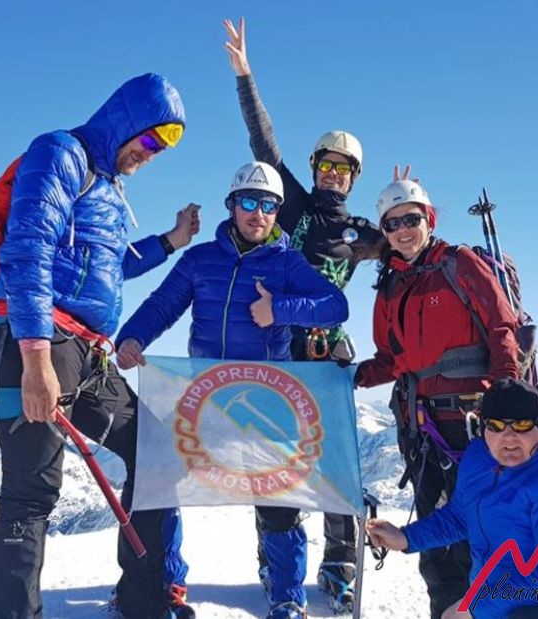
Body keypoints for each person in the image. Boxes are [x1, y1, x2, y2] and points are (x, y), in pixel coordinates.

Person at [0, 73, 202, 619]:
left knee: (154, 448)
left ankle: (142, 601)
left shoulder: (106, 188)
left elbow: (110, 266)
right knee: (31, 492)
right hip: (36, 340)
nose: (151, 153)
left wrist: (172, 241)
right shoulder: (59, 154)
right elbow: (27, 250)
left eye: (164, 147)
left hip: (84, 352)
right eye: (149, 138)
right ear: (125, 121)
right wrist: (35, 358)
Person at [115, 161, 350, 619]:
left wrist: (280, 309)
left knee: (278, 501)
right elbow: (163, 304)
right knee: (161, 482)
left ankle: (287, 596)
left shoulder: (286, 262)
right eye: (249, 201)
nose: (258, 213)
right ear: (232, 204)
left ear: (277, 213)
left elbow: (335, 305)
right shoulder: (201, 260)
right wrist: (133, 337)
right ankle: (167, 583)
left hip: (265, 401)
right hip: (203, 397)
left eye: (269, 205)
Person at [222, 17, 387, 608]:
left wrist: (412, 206)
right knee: (276, 461)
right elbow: (264, 147)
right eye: (326, 165)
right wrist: (246, 77)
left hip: (330, 356)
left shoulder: (364, 232)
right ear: (315, 168)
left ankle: (340, 563)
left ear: (354, 178)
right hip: (282, 352)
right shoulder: (294, 209)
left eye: (344, 169)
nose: (332, 175)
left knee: (337, 464)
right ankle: (277, 560)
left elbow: (409, 246)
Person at [354, 178, 521, 618]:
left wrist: (505, 390)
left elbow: (502, 327)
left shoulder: (460, 264)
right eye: (392, 224)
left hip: (473, 425)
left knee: (480, 535)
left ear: (429, 219)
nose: (402, 230)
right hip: (422, 432)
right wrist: (352, 376)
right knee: (437, 543)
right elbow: (392, 360)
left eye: (410, 219)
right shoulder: (391, 286)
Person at [366, 378, 538, 619]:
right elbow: (460, 516)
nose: (508, 437)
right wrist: (406, 538)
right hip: (502, 603)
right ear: (483, 428)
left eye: (521, 425)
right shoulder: (479, 457)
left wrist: (474, 607)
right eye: (496, 426)